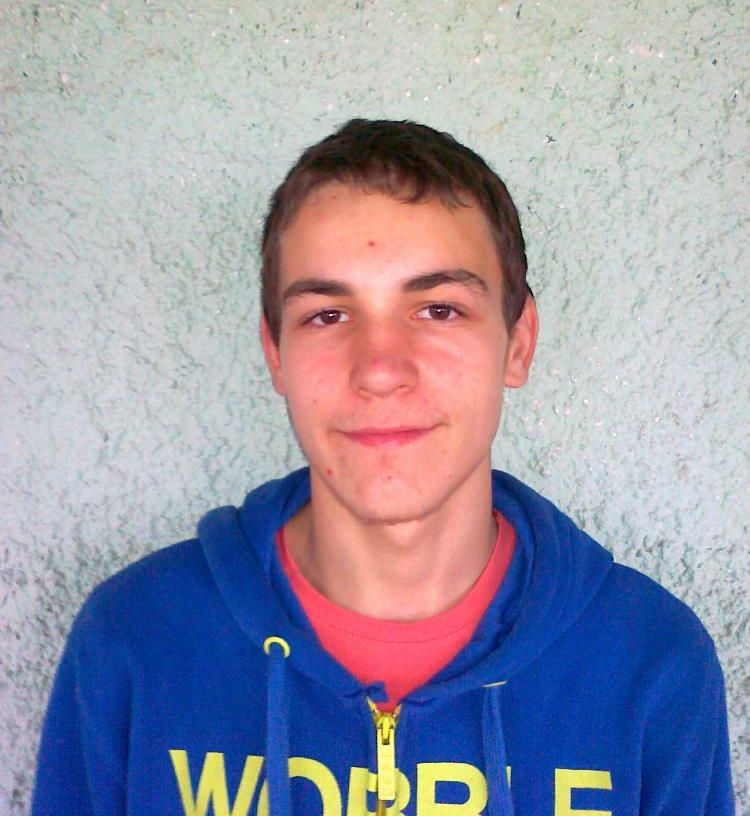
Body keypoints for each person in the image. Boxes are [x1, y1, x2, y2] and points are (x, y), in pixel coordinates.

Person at [33, 119, 734, 816]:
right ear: (275, 353)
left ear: (518, 343)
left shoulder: (650, 662)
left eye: (438, 309)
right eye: (328, 316)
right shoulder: (137, 639)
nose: (379, 370)